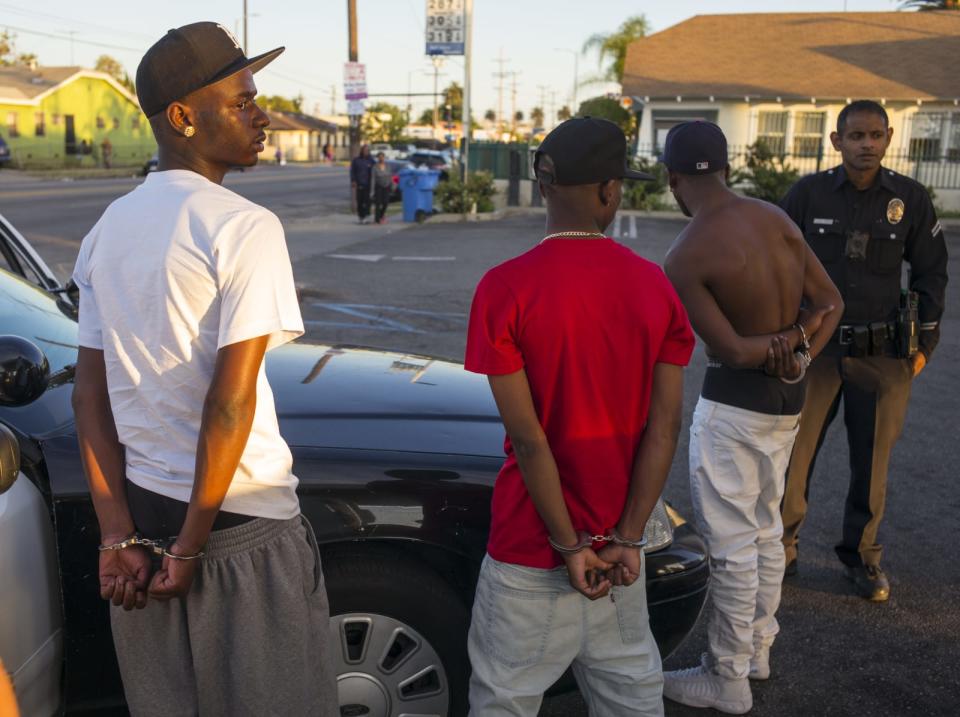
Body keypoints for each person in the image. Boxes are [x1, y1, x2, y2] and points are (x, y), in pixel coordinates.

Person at [70, 22, 338, 715]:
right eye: (243, 100)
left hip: (142, 529)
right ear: (184, 117)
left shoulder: (105, 231)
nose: (263, 115)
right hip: (237, 527)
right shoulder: (243, 226)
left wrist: (114, 535)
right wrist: (190, 550)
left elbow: (90, 398)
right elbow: (229, 402)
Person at [464, 117, 696, 716]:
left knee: (504, 700)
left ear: (543, 185)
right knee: (631, 698)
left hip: (529, 549)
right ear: (610, 192)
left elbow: (531, 440)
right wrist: (626, 538)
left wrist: (569, 548)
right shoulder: (654, 287)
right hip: (620, 556)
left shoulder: (503, 288)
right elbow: (663, 430)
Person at [659, 121, 843, 714]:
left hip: (735, 405)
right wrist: (801, 347)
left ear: (674, 179)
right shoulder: (774, 217)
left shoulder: (687, 253)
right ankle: (758, 650)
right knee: (765, 531)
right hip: (789, 402)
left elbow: (736, 351)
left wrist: (782, 346)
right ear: (727, 166)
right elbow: (831, 302)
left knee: (734, 545)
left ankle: (727, 678)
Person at [779, 100, 948, 602]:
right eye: (856, 136)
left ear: (889, 137)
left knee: (872, 464)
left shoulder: (910, 199)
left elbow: (931, 272)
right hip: (817, 352)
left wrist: (924, 348)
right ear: (837, 141)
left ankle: (862, 558)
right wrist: (786, 336)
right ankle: (781, 548)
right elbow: (779, 265)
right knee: (793, 455)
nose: (866, 144)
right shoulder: (807, 195)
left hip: (883, 356)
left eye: (876, 135)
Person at [350, 143, 374, 224]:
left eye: (367, 150)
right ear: (362, 151)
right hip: (359, 183)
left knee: (367, 201)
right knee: (360, 201)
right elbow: (353, 171)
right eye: (364, 150)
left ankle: (366, 216)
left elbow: (375, 170)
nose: (366, 151)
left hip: (368, 184)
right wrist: (353, 181)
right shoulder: (356, 160)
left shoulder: (371, 160)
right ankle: (361, 217)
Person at [372, 151, 392, 224]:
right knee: (378, 203)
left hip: (386, 186)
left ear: (384, 157)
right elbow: (373, 179)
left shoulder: (388, 166)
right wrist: (372, 191)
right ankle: (377, 220)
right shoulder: (375, 167)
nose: (381, 158)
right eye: (379, 157)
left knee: (385, 202)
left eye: (382, 157)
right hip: (378, 186)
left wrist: (392, 185)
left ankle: (381, 215)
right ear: (378, 158)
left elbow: (391, 176)